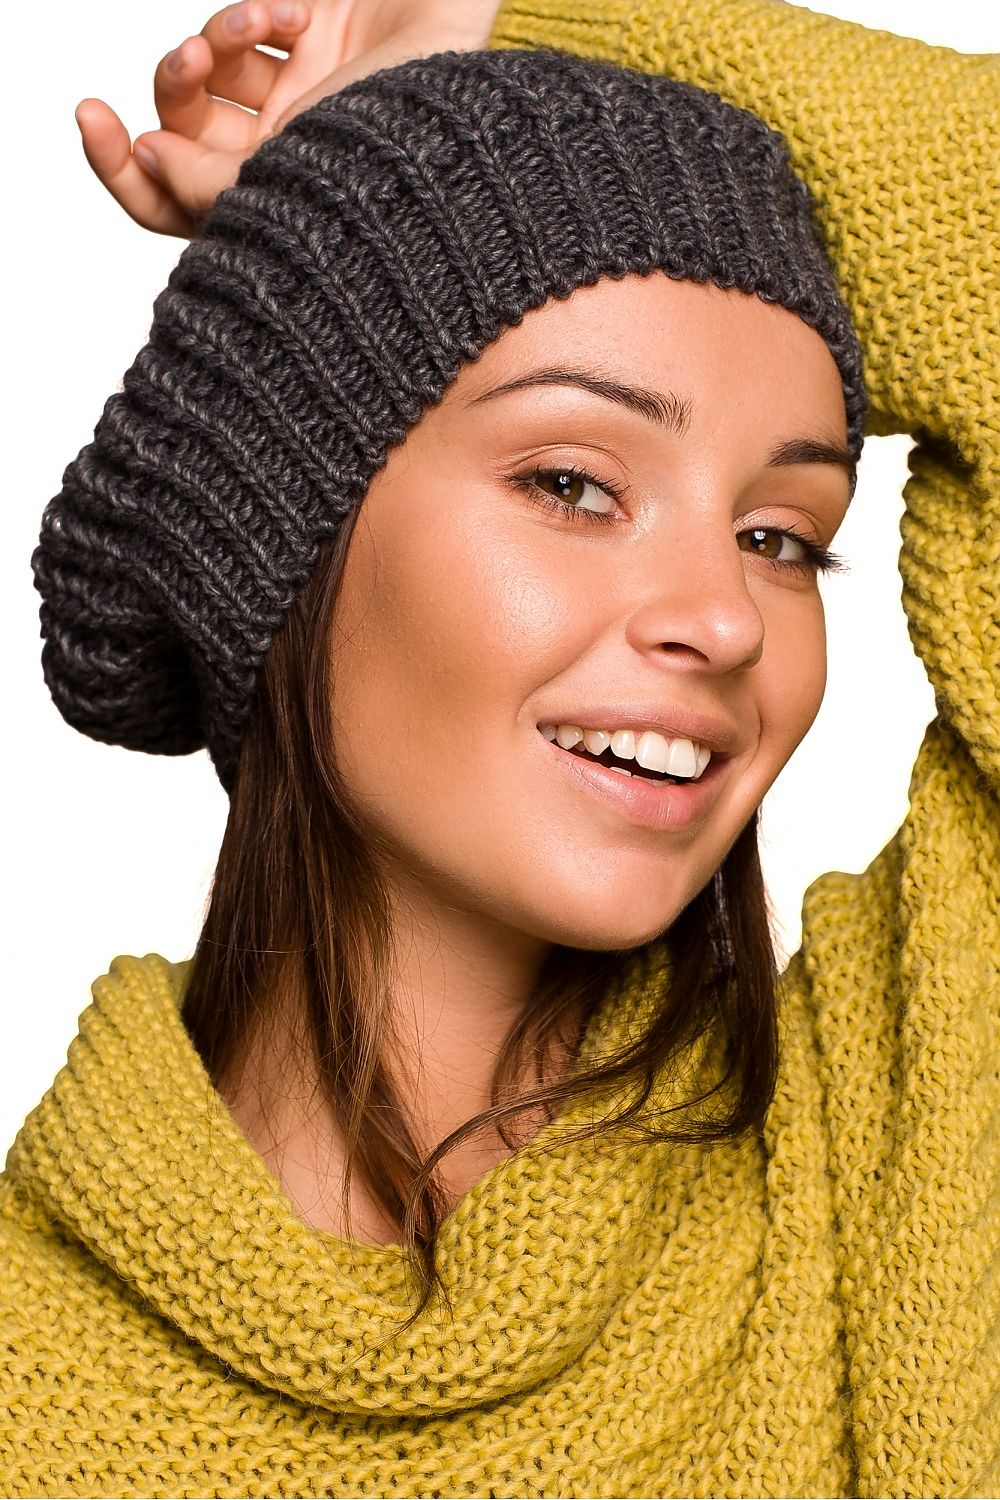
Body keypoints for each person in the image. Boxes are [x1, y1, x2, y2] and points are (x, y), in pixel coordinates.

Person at [2, 5, 996, 1500]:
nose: (726, 619)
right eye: (576, 486)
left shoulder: (902, 1142)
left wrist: (466, 27)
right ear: (286, 543)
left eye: (780, 537)